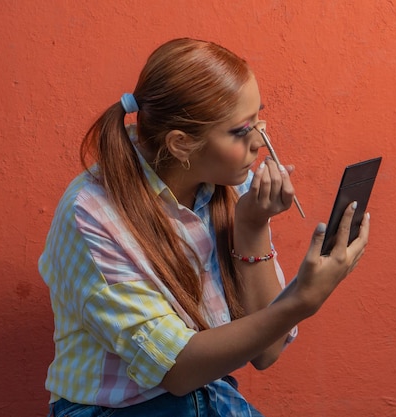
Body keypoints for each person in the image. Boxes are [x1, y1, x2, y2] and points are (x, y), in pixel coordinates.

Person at [39, 38, 370, 417]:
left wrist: (252, 225)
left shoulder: (232, 187)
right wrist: (302, 300)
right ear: (181, 144)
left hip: (207, 396)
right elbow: (176, 372)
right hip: (116, 409)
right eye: (241, 130)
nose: (260, 142)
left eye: (259, 118)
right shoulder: (91, 213)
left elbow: (266, 352)